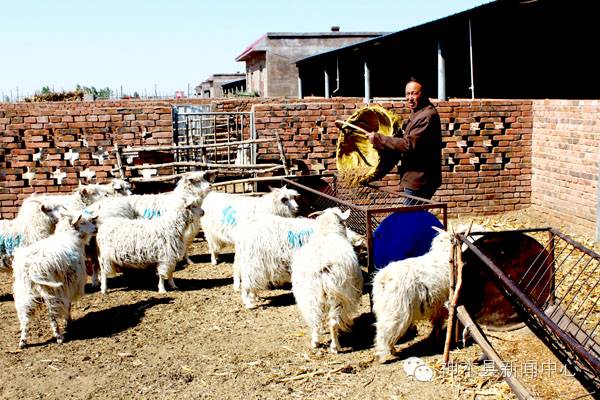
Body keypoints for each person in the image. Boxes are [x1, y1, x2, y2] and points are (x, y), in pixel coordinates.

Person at [366, 78, 442, 203]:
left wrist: (379, 139)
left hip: (421, 178)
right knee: (416, 217)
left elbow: (408, 144)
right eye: (407, 94)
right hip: (416, 177)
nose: (410, 97)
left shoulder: (426, 116)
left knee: (408, 217)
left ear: (423, 94)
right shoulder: (418, 113)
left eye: (414, 93)